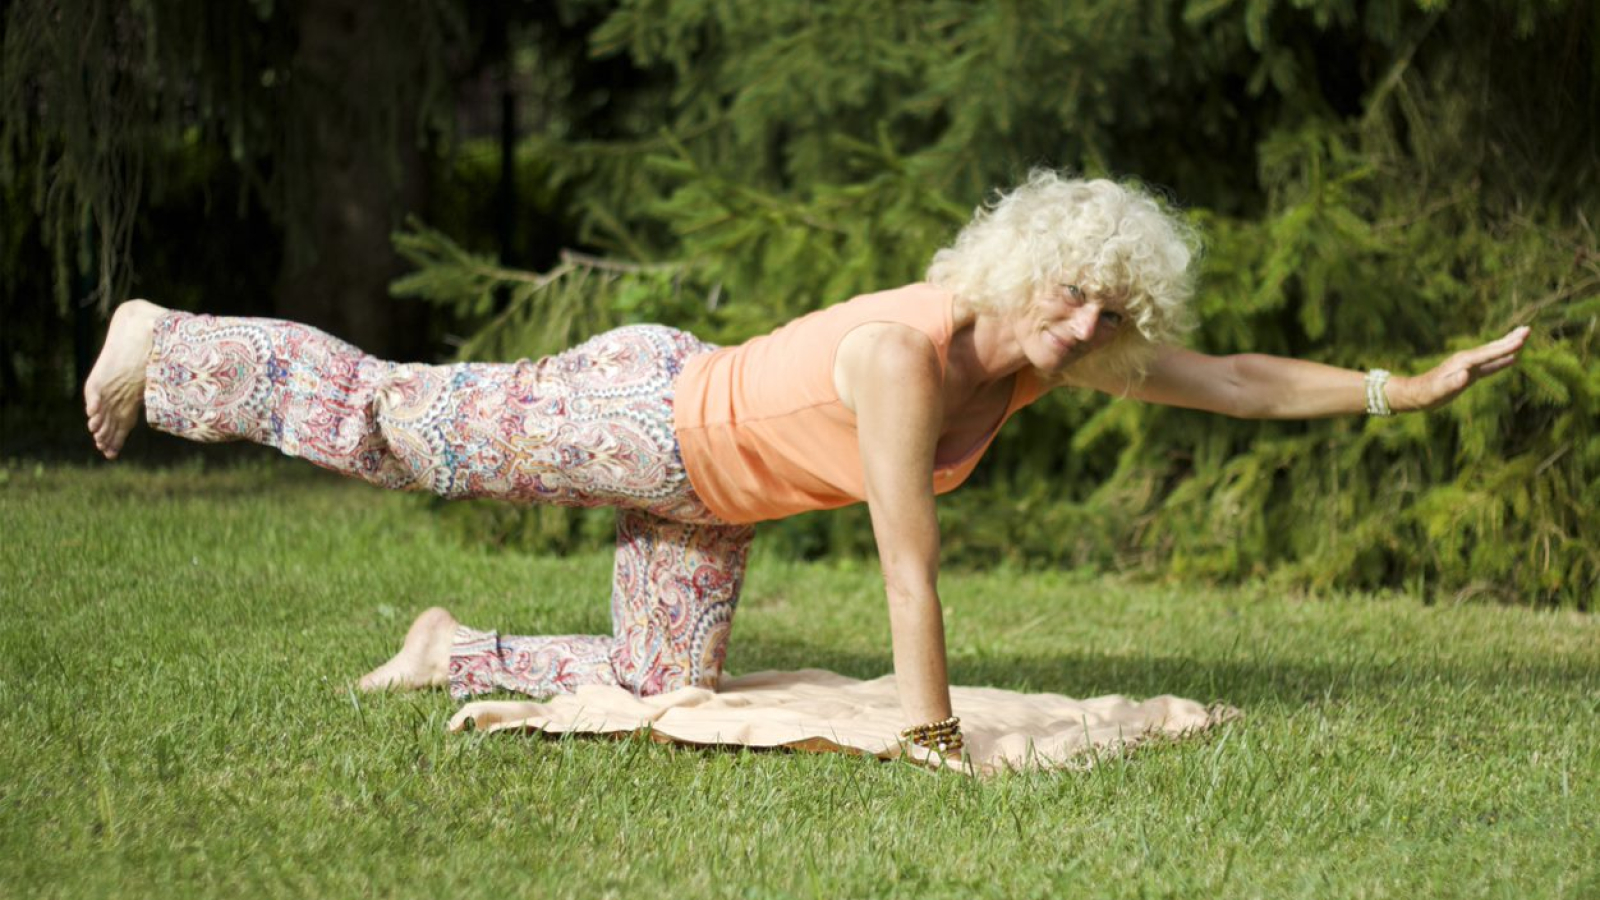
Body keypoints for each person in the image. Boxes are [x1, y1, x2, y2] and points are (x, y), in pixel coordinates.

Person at [82, 170, 1527, 758]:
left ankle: (453, 649)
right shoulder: (911, 356)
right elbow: (909, 557)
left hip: (714, 499)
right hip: (651, 416)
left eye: (1109, 312)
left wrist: (1403, 387)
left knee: (663, 691)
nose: (1086, 327)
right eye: (1068, 295)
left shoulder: (1043, 358)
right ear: (1020, 273)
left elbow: (1231, 378)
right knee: (399, 428)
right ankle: (170, 343)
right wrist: (929, 725)